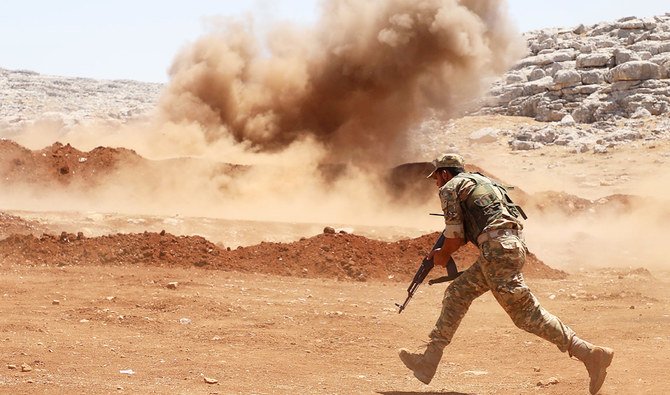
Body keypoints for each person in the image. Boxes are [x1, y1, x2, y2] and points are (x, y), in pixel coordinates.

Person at [398, 153, 614, 395]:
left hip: (497, 251)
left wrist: (442, 255)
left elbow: (455, 236)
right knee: (457, 293)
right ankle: (428, 361)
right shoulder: (483, 182)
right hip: (507, 248)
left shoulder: (451, 187)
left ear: (445, 173)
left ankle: (589, 354)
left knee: (526, 315)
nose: (437, 183)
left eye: (436, 178)